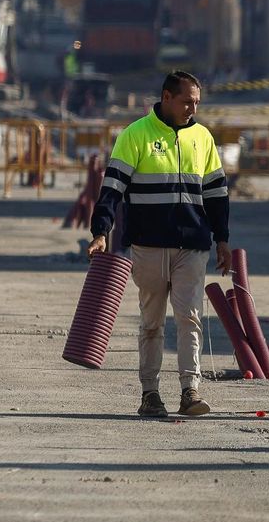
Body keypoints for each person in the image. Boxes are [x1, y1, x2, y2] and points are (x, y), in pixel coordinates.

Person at [89, 71, 232, 419]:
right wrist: (101, 231)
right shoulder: (136, 135)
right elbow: (112, 188)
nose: (192, 109)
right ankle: (150, 393)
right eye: (186, 102)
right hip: (148, 245)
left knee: (190, 318)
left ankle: (190, 390)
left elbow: (216, 194)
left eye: (197, 103)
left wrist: (222, 239)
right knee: (152, 323)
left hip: (192, 245)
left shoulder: (202, 138)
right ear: (166, 97)